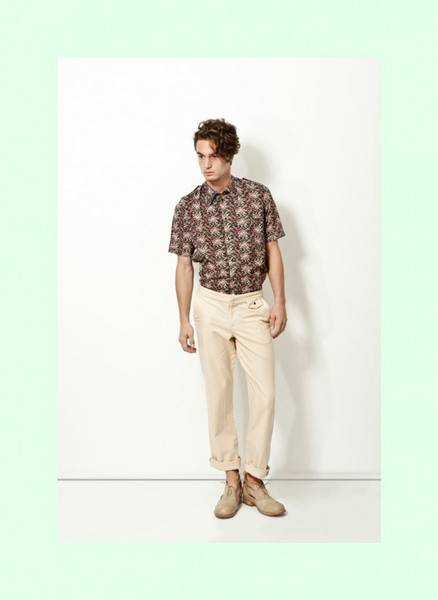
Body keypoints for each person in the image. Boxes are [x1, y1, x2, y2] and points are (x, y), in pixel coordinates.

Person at [168, 118, 287, 518]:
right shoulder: (188, 206)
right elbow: (184, 266)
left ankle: (255, 481)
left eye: (214, 156)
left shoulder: (258, 197)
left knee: (265, 394)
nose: (206, 164)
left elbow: (273, 251)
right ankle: (231, 480)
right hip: (211, 307)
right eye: (200, 156)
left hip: (252, 305)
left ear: (230, 155)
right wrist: (183, 320)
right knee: (219, 395)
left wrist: (280, 301)